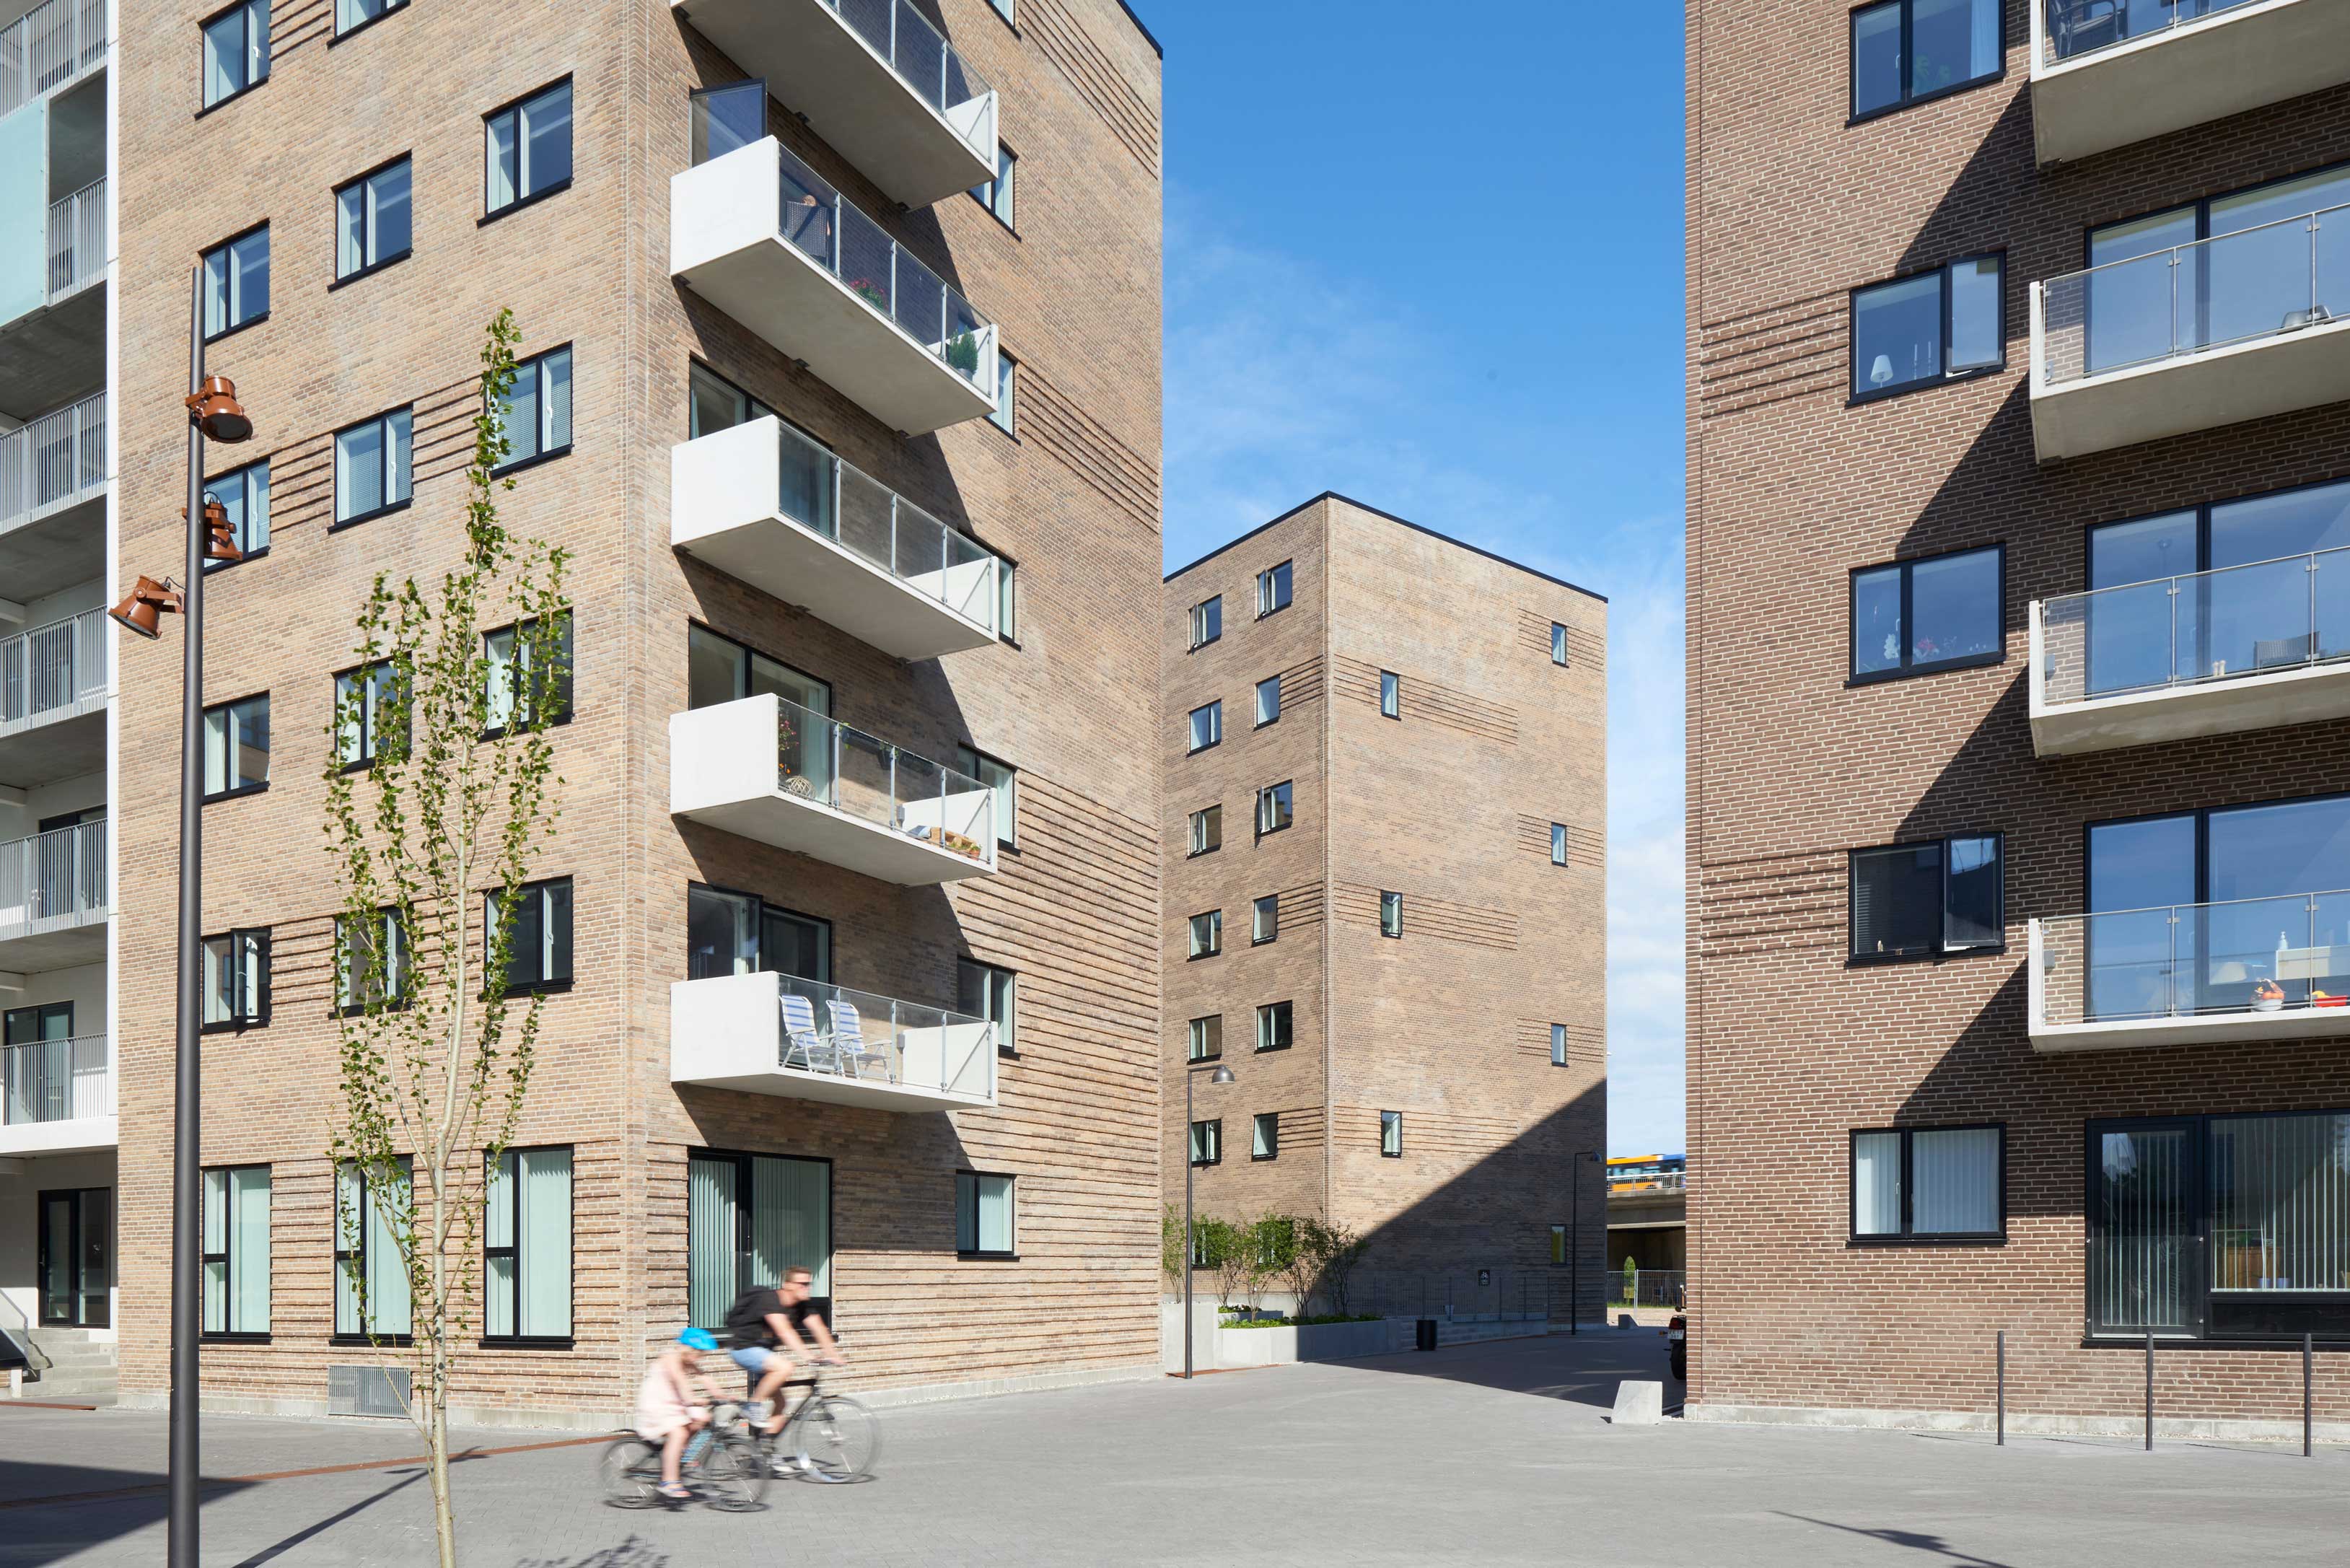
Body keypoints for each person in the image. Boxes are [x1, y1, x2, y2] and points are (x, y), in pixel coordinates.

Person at [724, 1266, 844, 1455]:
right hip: (742, 1348)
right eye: (802, 1284)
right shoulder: (769, 1299)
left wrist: (832, 1354)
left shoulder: (802, 1306)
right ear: (787, 1285)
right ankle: (752, 1405)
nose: (807, 1288)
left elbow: (820, 1329)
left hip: (763, 1354)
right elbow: (784, 1331)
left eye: (809, 1284)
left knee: (781, 1404)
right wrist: (808, 1356)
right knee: (784, 1368)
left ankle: (765, 1452)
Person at [636, 1326, 727, 1501]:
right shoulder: (671, 1359)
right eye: (699, 1353)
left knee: (704, 1417)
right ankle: (669, 1482)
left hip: (674, 1402)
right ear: (689, 1348)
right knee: (679, 1433)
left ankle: (680, 1452)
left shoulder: (688, 1361)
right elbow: (680, 1380)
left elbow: (704, 1377)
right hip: (657, 1404)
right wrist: (692, 1399)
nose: (700, 1357)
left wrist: (722, 1395)